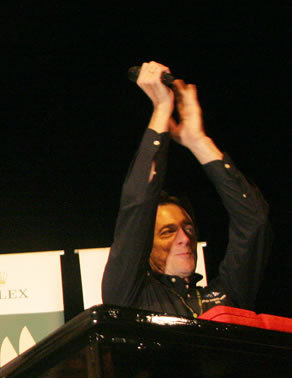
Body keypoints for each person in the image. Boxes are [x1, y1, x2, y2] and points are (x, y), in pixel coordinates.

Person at [101, 60, 271, 317]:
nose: (184, 238)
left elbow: (254, 221)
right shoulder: (129, 295)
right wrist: (162, 109)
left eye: (188, 228)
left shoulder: (228, 295)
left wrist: (198, 141)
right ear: (146, 250)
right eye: (168, 232)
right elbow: (137, 204)